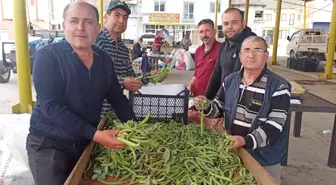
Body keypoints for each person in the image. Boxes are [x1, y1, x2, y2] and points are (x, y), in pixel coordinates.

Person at [26, 2, 136, 185]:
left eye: (88, 22)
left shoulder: (103, 59)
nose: (80, 28)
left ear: (98, 29)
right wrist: (97, 135)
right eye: (74, 21)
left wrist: (134, 127)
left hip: (84, 140)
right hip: (50, 142)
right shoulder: (48, 56)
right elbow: (51, 108)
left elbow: (117, 97)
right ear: (64, 26)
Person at [194, 36, 291, 184]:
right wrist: (206, 106)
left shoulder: (279, 86)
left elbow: (274, 127)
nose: (251, 55)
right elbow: (218, 108)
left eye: (257, 50)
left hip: (264, 156)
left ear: (266, 55)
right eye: (246, 50)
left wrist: (245, 141)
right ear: (240, 56)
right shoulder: (230, 80)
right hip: (234, 149)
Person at [95, 0, 143, 117]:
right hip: (94, 114)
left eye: (125, 17)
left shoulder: (123, 49)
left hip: (113, 114)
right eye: (117, 15)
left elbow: (131, 76)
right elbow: (91, 77)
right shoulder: (96, 42)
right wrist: (122, 82)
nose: (121, 21)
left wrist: (151, 77)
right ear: (106, 17)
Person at [205, 8, 257, 100]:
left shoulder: (251, 45)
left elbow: (235, 78)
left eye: (234, 22)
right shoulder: (225, 45)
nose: (229, 27)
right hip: (227, 100)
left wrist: (217, 102)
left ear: (243, 24)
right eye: (226, 24)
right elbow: (216, 74)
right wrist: (206, 98)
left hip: (244, 102)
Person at [187, 19, 222, 129]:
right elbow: (198, 70)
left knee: (211, 127)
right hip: (198, 95)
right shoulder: (198, 50)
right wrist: (192, 82)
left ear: (214, 31)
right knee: (197, 126)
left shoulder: (222, 50)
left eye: (207, 31)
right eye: (201, 32)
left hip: (213, 98)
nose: (204, 35)